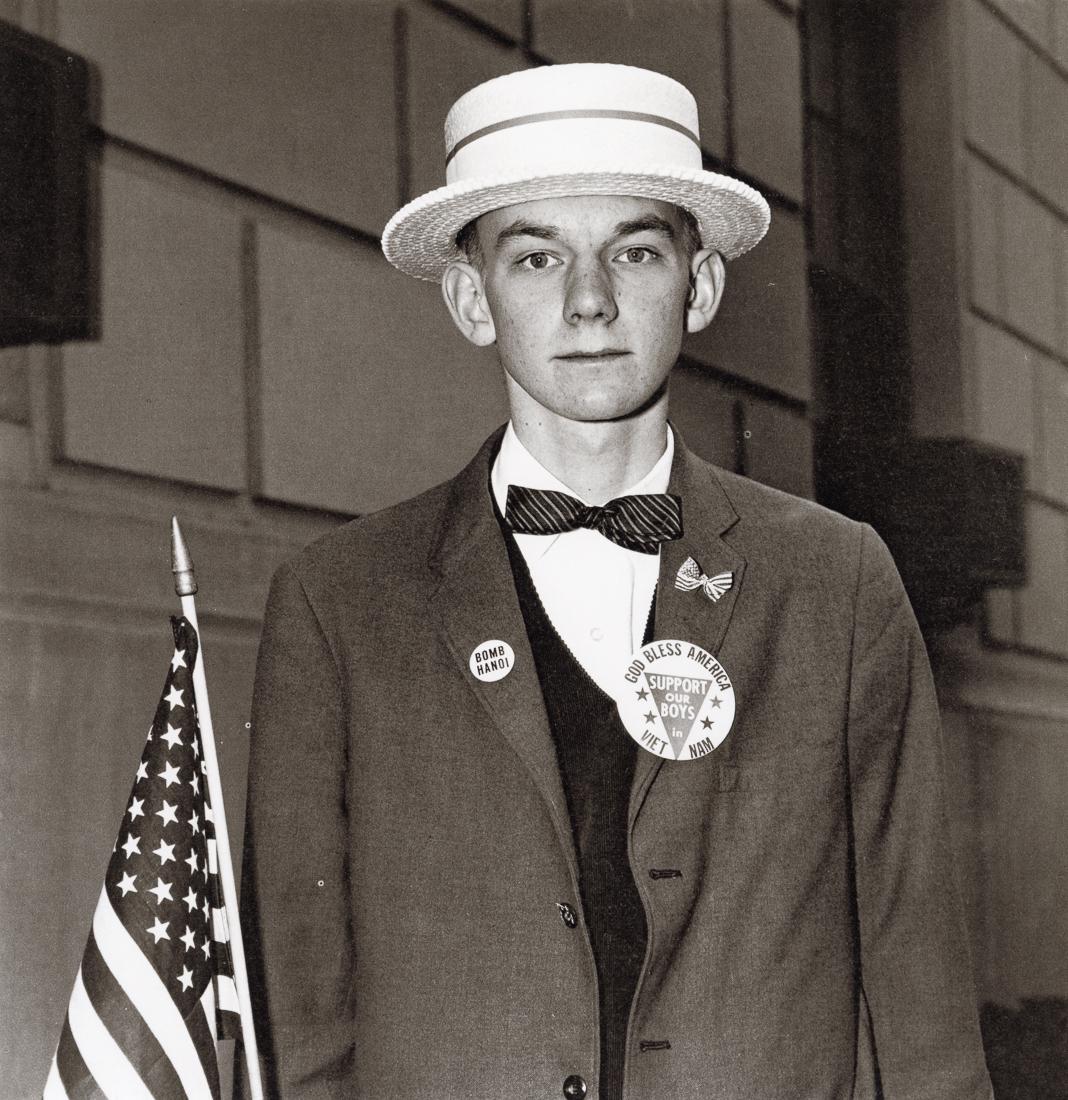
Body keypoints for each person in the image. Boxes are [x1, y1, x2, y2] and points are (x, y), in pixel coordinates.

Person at [240, 64, 993, 1099]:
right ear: (470, 297)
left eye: (634, 250)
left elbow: (923, 1015)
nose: (589, 299)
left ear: (702, 282)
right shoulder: (341, 605)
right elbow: (301, 1024)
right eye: (537, 255)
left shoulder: (837, 584)